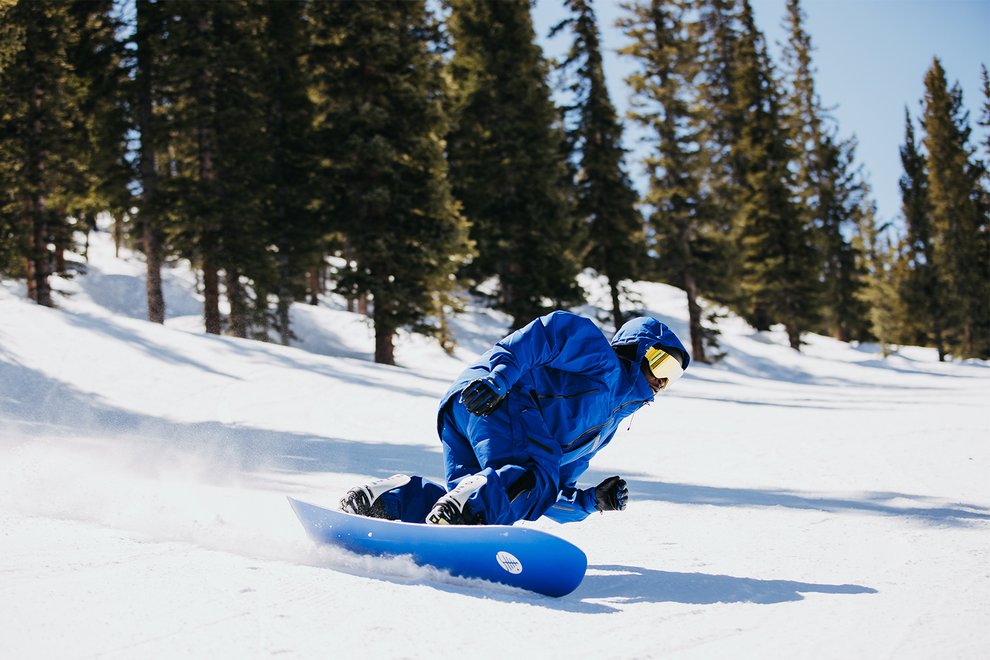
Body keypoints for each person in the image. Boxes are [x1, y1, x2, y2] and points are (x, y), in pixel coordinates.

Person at [340, 310, 690, 526]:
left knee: (488, 505)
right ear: (639, 349)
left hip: (466, 413)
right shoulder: (603, 361)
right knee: (532, 477)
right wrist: (500, 378)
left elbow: (550, 494)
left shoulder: (606, 428)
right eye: (662, 363)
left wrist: (589, 501)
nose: (663, 379)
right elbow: (546, 334)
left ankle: (390, 499)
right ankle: (467, 506)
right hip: (498, 395)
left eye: (674, 374)